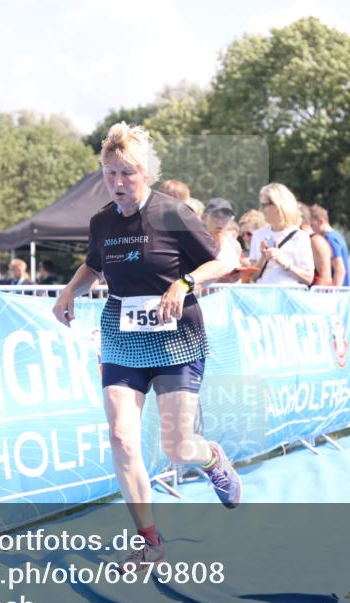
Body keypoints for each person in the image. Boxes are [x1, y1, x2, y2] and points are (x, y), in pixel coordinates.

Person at [52, 122, 240, 572]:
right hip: (120, 336)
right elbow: (93, 265)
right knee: (121, 436)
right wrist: (67, 293)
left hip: (176, 339)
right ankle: (150, 541)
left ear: (147, 174)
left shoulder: (173, 214)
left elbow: (226, 261)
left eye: (127, 174)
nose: (117, 183)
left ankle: (212, 457)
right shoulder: (101, 221)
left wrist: (185, 282)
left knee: (178, 449)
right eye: (110, 173)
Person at [249, 183, 315, 286]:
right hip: (262, 297)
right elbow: (252, 277)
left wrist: (284, 263)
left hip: (288, 297)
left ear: (277, 205)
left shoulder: (300, 236)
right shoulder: (257, 235)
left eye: (264, 205)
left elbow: (309, 278)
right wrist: (263, 257)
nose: (260, 210)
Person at [311, 204, 348, 286]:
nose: (312, 229)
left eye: (312, 225)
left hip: (339, 292)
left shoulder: (330, 238)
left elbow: (339, 270)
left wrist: (333, 294)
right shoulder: (336, 236)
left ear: (321, 221)